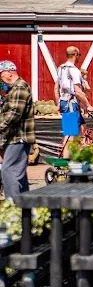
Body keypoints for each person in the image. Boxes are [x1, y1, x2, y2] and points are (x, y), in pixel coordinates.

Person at [0, 61, 34, 202]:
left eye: (1, 75)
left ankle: (13, 208)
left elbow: (14, 114)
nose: (1, 79)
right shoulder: (14, 89)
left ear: (9, 72)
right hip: (15, 137)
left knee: (8, 171)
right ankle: (26, 210)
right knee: (19, 174)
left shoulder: (20, 88)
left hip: (19, 137)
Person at [54, 46, 93, 156]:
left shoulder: (60, 68)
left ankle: (78, 156)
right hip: (70, 103)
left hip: (65, 102)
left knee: (81, 129)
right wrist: (88, 105)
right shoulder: (74, 71)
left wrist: (58, 103)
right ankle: (66, 162)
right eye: (79, 55)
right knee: (70, 133)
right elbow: (77, 90)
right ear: (75, 55)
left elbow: (56, 88)